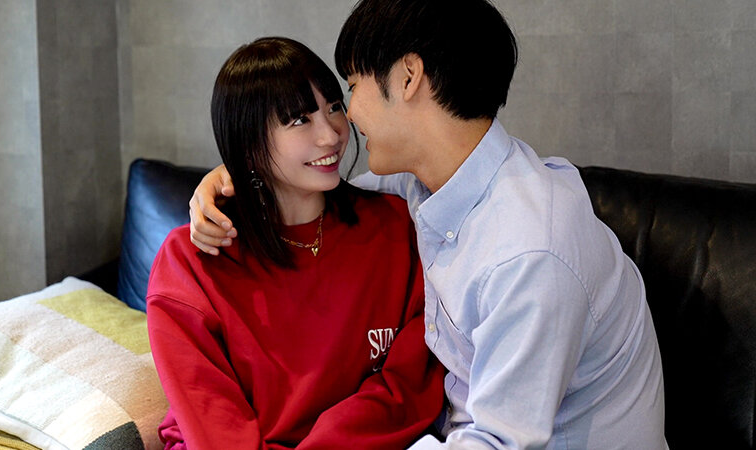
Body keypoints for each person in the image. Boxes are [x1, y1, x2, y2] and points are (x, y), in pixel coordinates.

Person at [188, 1, 667, 448]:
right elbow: (320, 194)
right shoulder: (428, 182)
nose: (346, 118)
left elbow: (497, 442)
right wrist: (232, 178)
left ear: (408, 77)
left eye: (352, 88)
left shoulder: (529, 252)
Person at [146, 36, 444, 450]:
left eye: (334, 107)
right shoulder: (192, 262)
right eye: (300, 120)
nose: (331, 135)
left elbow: (408, 387)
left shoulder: (396, 228)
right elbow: (210, 417)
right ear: (249, 144)